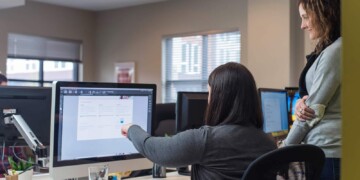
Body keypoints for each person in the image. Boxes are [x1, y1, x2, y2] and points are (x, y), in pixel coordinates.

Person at [121, 62, 276, 179]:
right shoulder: (268, 142)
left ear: (220, 99)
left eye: (210, 94)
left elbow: (154, 150)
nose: (208, 100)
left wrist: (131, 129)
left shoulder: (207, 140)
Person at [283, 0, 341, 179]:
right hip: (327, 151)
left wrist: (282, 150)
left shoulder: (336, 51)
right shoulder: (331, 48)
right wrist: (302, 101)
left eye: (305, 17)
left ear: (324, 14)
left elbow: (311, 113)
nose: (302, 25)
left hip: (330, 152)